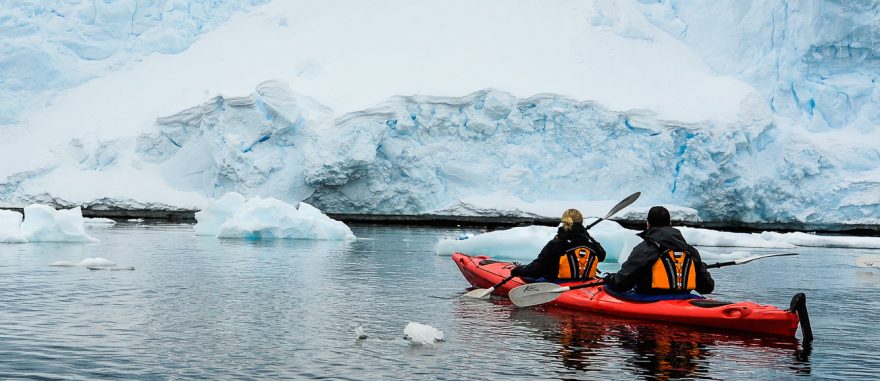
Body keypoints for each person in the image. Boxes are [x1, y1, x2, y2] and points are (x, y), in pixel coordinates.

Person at [603, 206, 714, 295]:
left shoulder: (646, 249)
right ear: (670, 224)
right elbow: (707, 287)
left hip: (651, 300)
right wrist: (700, 267)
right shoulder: (690, 251)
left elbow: (622, 284)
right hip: (683, 299)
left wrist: (610, 279)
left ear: (648, 224)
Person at [511, 209, 606, 282]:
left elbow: (537, 269)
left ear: (564, 222)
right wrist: (586, 235)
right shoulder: (590, 245)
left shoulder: (556, 244)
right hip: (583, 282)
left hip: (556, 283)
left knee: (529, 276)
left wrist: (520, 270)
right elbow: (602, 255)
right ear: (581, 222)